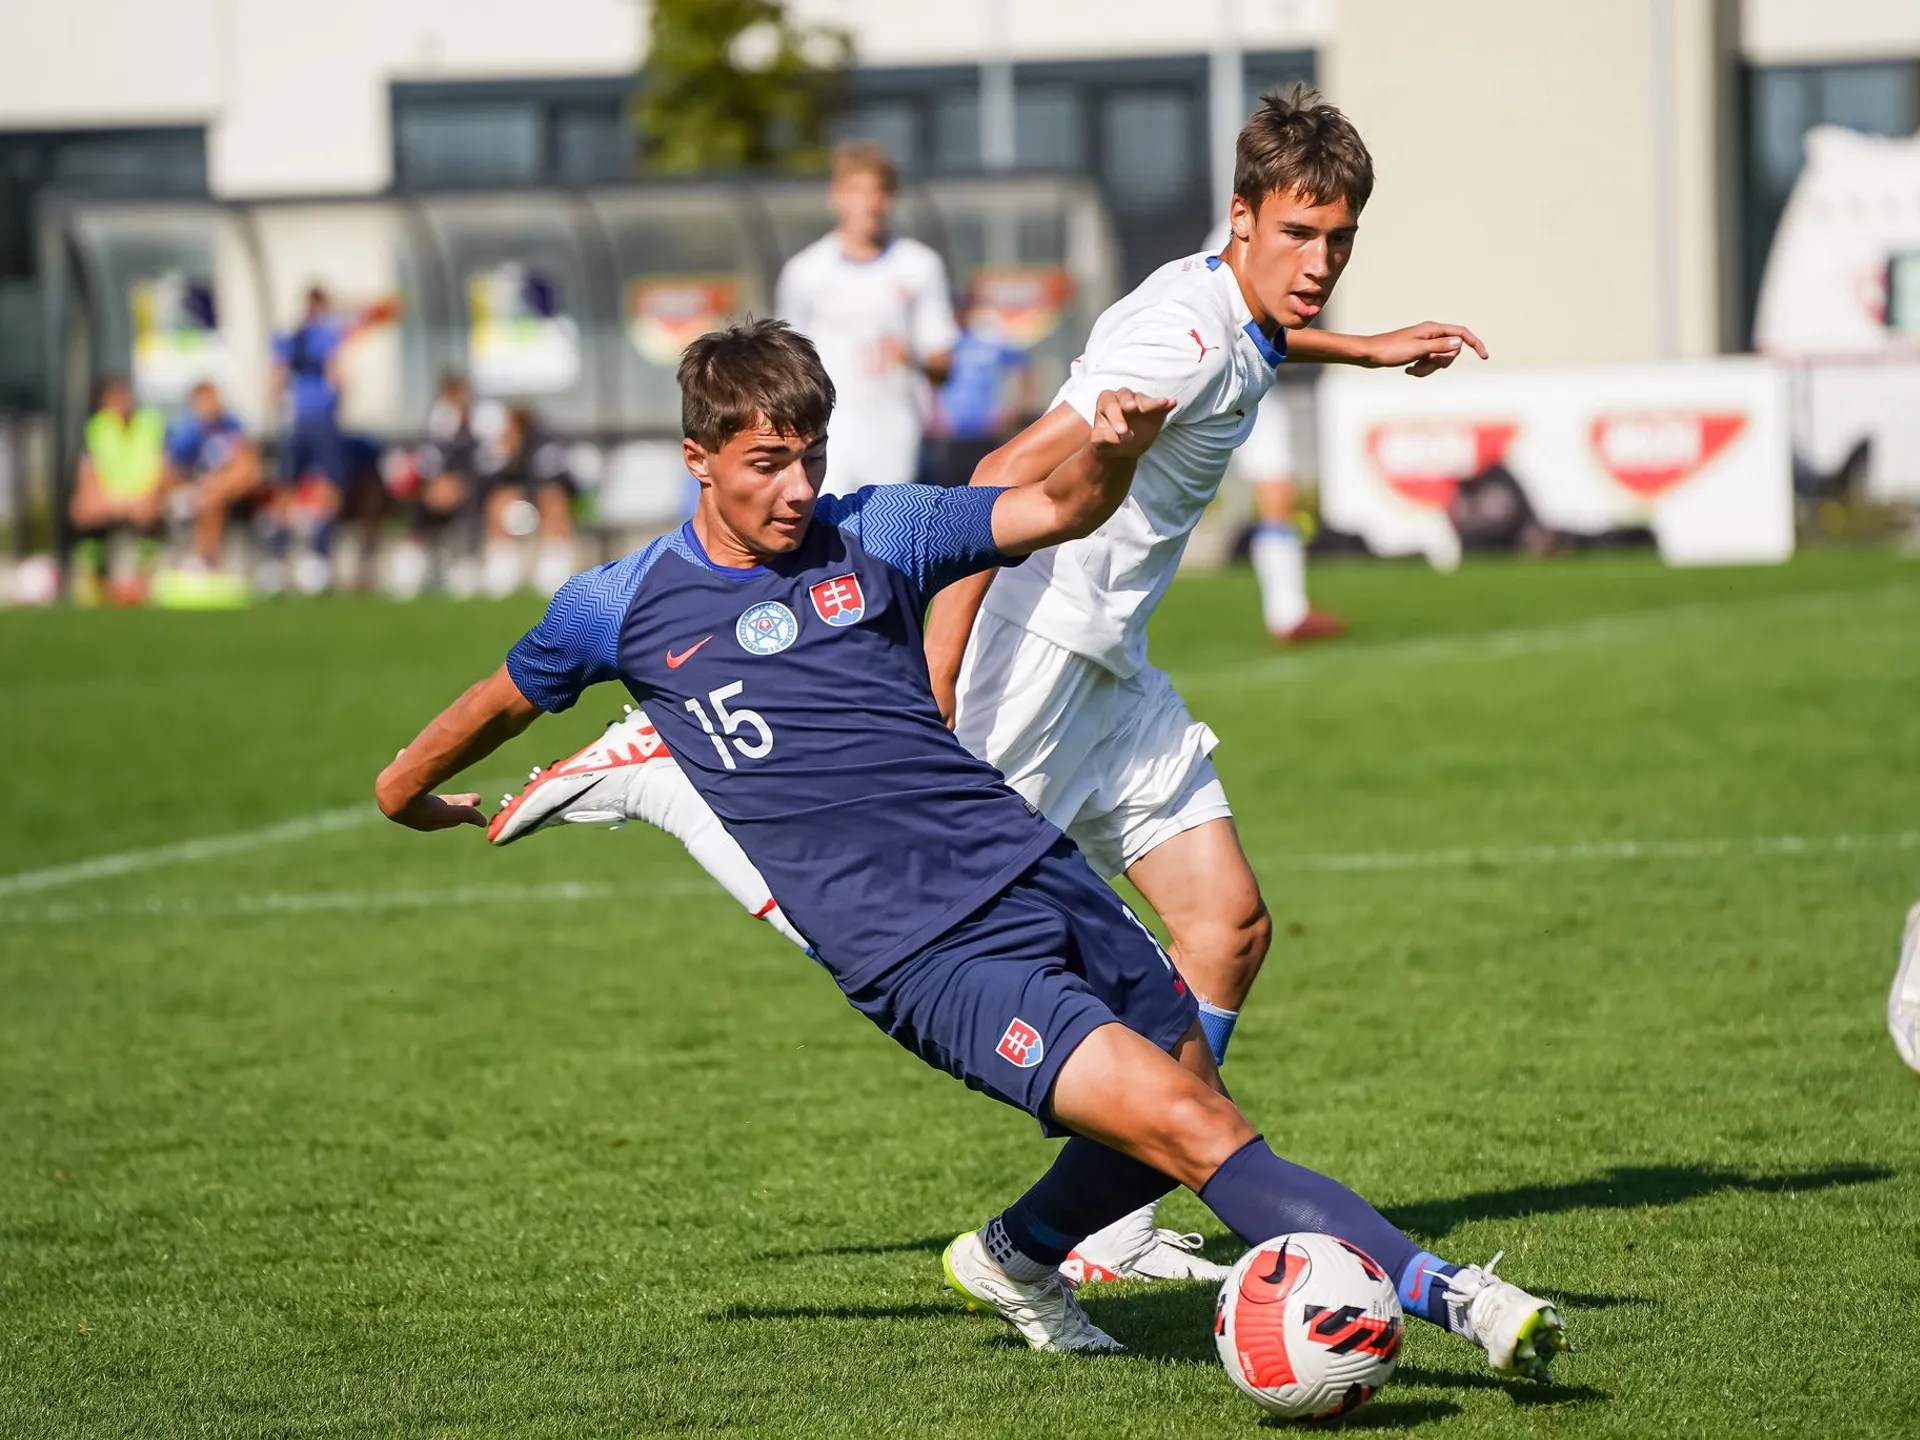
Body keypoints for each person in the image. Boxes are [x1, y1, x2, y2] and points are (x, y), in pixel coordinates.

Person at [375, 320, 1568, 1378]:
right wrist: (402, 789)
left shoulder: (879, 528)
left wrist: (1113, 449)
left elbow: (1052, 511)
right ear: (699, 458)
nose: (796, 488)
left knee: (1178, 1115)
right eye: (765, 464)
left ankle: (1014, 1257)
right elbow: (503, 698)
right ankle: (1462, 1300)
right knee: (1194, 1128)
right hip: (926, 954)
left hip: (1035, 869)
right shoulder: (623, 607)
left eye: (809, 456)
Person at [489, 88, 1488, 1284]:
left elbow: (1252, 342)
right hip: (1036, 648)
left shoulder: (1231, 304)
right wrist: (939, 670)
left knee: (1227, 928)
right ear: (1242, 218)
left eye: (1339, 241)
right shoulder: (1176, 330)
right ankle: (669, 780)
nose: (1320, 265)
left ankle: (1112, 1221)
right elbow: (1003, 472)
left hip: (1113, 658)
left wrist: (1365, 349)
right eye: (1299, 236)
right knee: (898, 912)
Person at [775, 141, 958, 494]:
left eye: (877, 191)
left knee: (887, 522)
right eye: (856, 190)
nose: (868, 203)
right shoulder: (805, 271)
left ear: (890, 199)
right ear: (836, 197)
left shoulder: (919, 266)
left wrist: (910, 357)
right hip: (828, 428)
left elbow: (943, 363)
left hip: (895, 428)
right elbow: (784, 361)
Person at [269, 284, 396, 594]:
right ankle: (317, 556)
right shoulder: (327, 335)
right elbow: (336, 376)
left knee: (287, 488)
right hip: (322, 422)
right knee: (326, 488)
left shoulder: (289, 338)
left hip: (295, 421)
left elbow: (275, 382)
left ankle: (277, 558)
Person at [68, 376, 166, 605]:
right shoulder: (96, 428)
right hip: (109, 498)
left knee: (148, 515)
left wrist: (149, 497)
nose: (119, 403)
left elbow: (164, 469)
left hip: (143, 496)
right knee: (86, 513)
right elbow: (87, 472)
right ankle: (95, 579)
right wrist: (95, 499)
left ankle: (144, 583)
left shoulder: (151, 425)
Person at [475, 404, 578, 598]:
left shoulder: (545, 446)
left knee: (552, 497)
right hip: (517, 507)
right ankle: (502, 569)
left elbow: (558, 482)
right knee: (500, 499)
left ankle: (555, 568)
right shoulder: (497, 451)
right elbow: (483, 487)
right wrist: (504, 459)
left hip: (542, 503)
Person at [162, 380, 262, 571]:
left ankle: (207, 559)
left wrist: (219, 483)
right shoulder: (189, 432)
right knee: (205, 498)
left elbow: (248, 467)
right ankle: (202, 558)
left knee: (212, 497)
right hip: (201, 488)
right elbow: (172, 467)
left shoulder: (233, 427)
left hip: (231, 490)